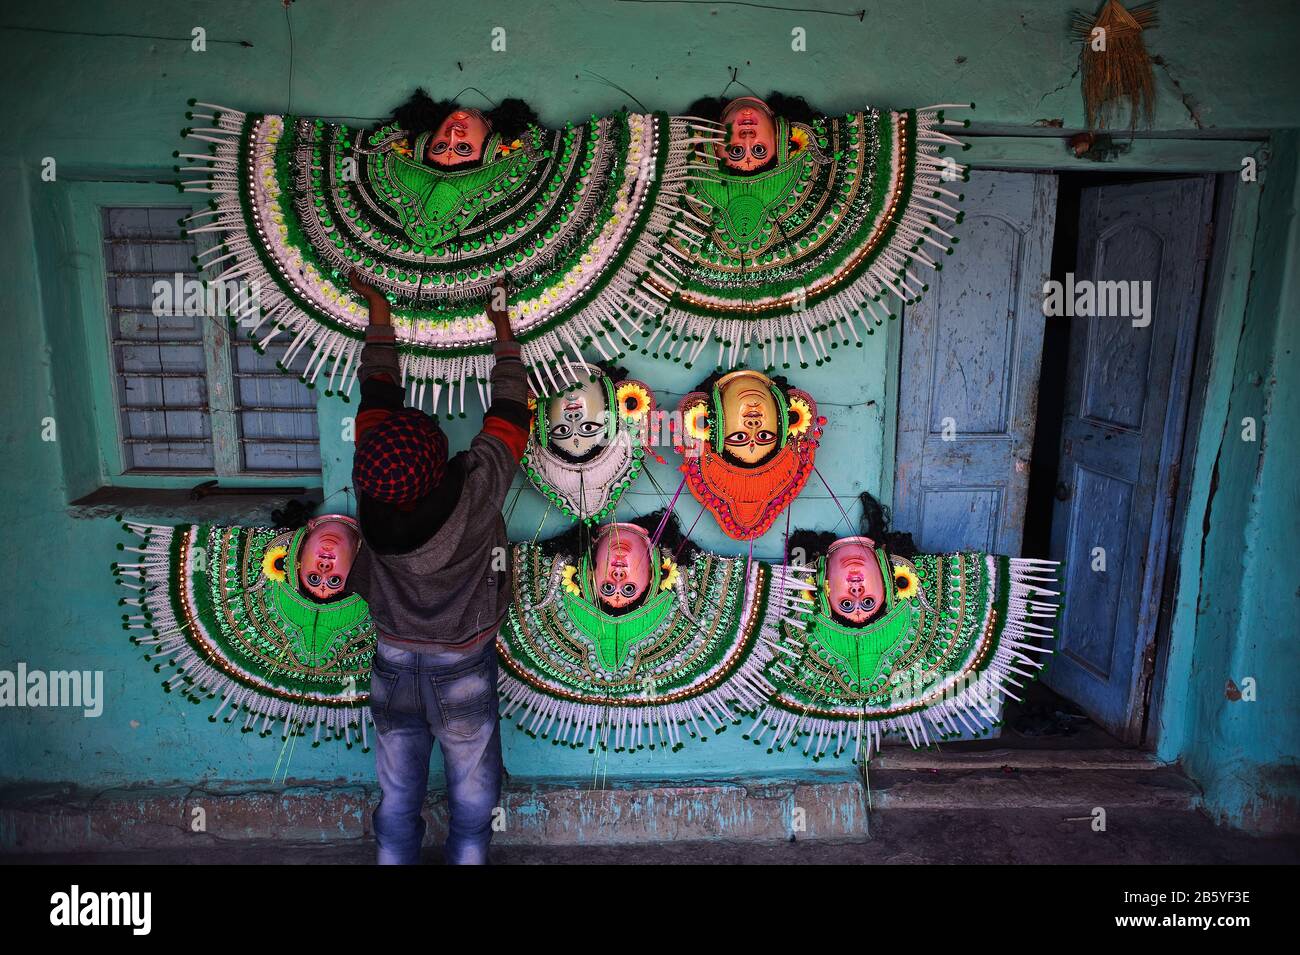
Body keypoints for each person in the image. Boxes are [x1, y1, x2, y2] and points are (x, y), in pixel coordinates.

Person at [345, 269, 529, 865]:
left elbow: (377, 390)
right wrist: (502, 329)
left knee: (397, 791)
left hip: (392, 660)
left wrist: (379, 312)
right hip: (463, 663)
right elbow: (509, 413)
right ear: (437, 456)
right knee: (472, 789)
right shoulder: (477, 493)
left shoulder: (372, 485)